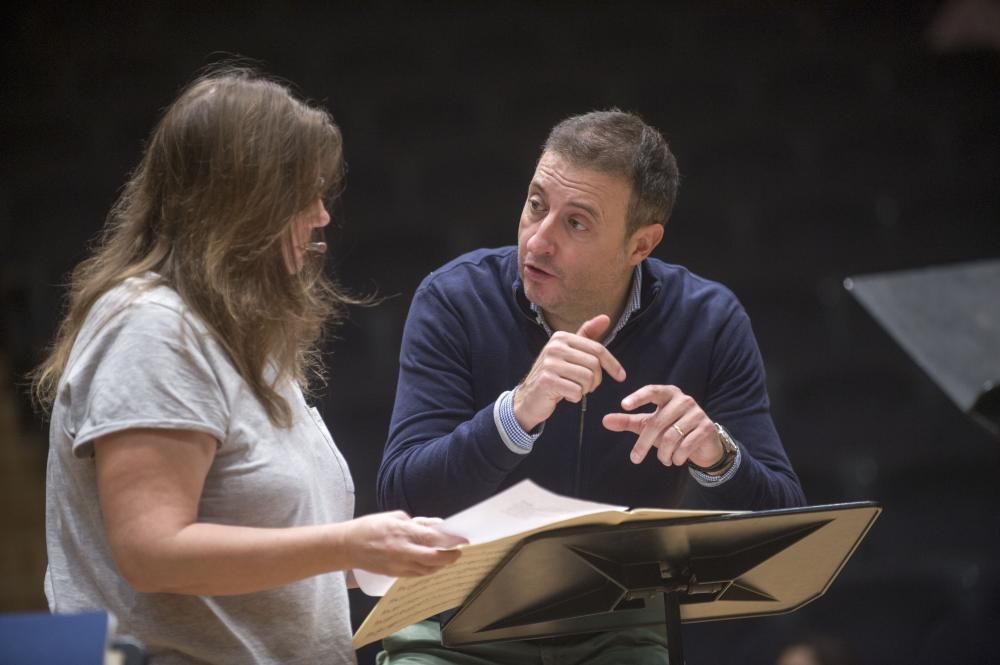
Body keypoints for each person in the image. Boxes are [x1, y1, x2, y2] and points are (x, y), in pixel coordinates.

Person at [30, 66, 464, 665]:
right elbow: (152, 552)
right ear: (244, 202)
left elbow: (267, 550)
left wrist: (375, 557)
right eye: (303, 195)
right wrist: (347, 543)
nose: (322, 215)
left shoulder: (233, 334)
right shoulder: (152, 327)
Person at [375, 110, 806, 663]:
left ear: (641, 246)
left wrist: (715, 454)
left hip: (616, 626)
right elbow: (402, 497)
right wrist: (514, 416)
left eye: (575, 223)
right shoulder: (454, 299)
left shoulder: (710, 321)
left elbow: (783, 522)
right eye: (536, 205)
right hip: (450, 619)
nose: (539, 240)